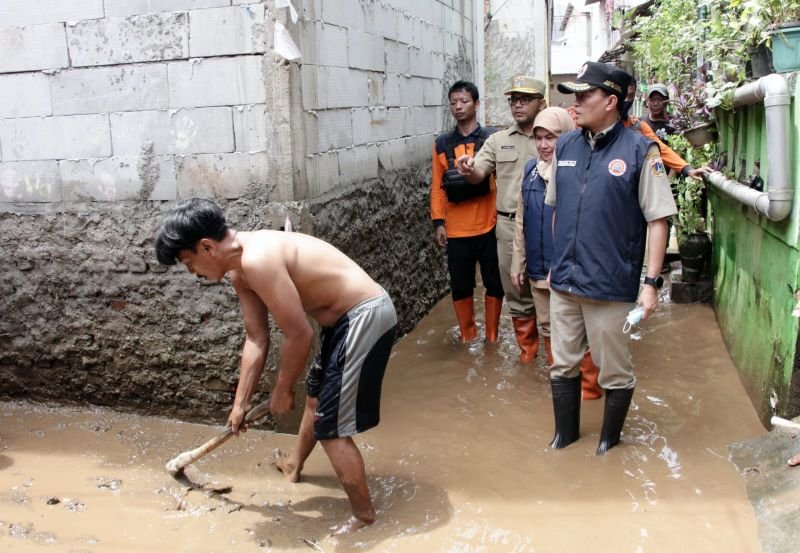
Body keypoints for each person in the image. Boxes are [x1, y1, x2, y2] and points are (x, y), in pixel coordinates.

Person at [154, 198, 398, 534]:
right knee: (315, 399)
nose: (192, 273)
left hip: (365, 315)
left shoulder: (258, 259)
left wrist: (281, 391)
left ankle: (364, 517)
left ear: (206, 246)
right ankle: (293, 464)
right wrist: (239, 406)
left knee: (331, 426)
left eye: (187, 263)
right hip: (341, 322)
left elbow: (299, 334)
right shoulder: (240, 270)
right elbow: (256, 339)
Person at [546, 62, 677, 455]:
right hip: (565, 283)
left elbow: (658, 220)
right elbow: (557, 209)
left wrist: (650, 286)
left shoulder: (640, 150)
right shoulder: (565, 146)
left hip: (609, 285)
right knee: (561, 364)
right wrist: (555, 264)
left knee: (614, 370)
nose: (575, 104)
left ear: (611, 101)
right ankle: (564, 437)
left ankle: (609, 442)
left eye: (584, 95)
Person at [509, 107, 602, 400]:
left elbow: (583, 224)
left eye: (551, 137)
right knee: (547, 326)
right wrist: (518, 261)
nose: (544, 145)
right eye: (538, 137)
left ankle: (589, 392)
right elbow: (522, 218)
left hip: (569, 269)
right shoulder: (530, 170)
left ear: (567, 136)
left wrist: (563, 264)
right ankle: (561, 389)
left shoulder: (578, 171)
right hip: (538, 266)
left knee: (579, 330)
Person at [454, 75, 547, 362]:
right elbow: (479, 171)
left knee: (553, 291)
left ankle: (557, 361)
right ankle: (528, 356)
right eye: (514, 100)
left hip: (548, 226)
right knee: (517, 293)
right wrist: (468, 170)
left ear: (541, 103)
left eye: (525, 100)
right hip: (508, 226)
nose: (518, 105)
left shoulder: (554, 138)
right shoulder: (498, 140)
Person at [431, 80, 504, 343]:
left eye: (464, 101)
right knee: (461, 285)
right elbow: (438, 187)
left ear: (476, 104)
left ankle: (493, 336)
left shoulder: (492, 140)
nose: (458, 107)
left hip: (490, 224)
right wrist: (438, 222)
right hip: (457, 228)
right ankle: (467, 335)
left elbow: (504, 179)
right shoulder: (441, 144)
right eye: (453, 102)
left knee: (494, 282)